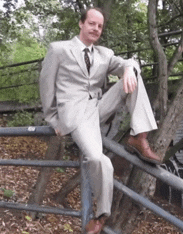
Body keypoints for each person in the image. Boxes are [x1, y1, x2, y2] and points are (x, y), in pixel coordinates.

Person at [39, 7, 161, 234]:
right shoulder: (59, 49)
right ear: (81, 24)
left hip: (99, 107)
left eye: (100, 26)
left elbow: (130, 62)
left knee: (133, 74)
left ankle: (139, 136)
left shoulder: (105, 54)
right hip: (76, 115)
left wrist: (127, 69)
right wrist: (53, 120)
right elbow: (46, 86)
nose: (96, 29)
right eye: (92, 23)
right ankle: (102, 214)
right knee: (99, 159)